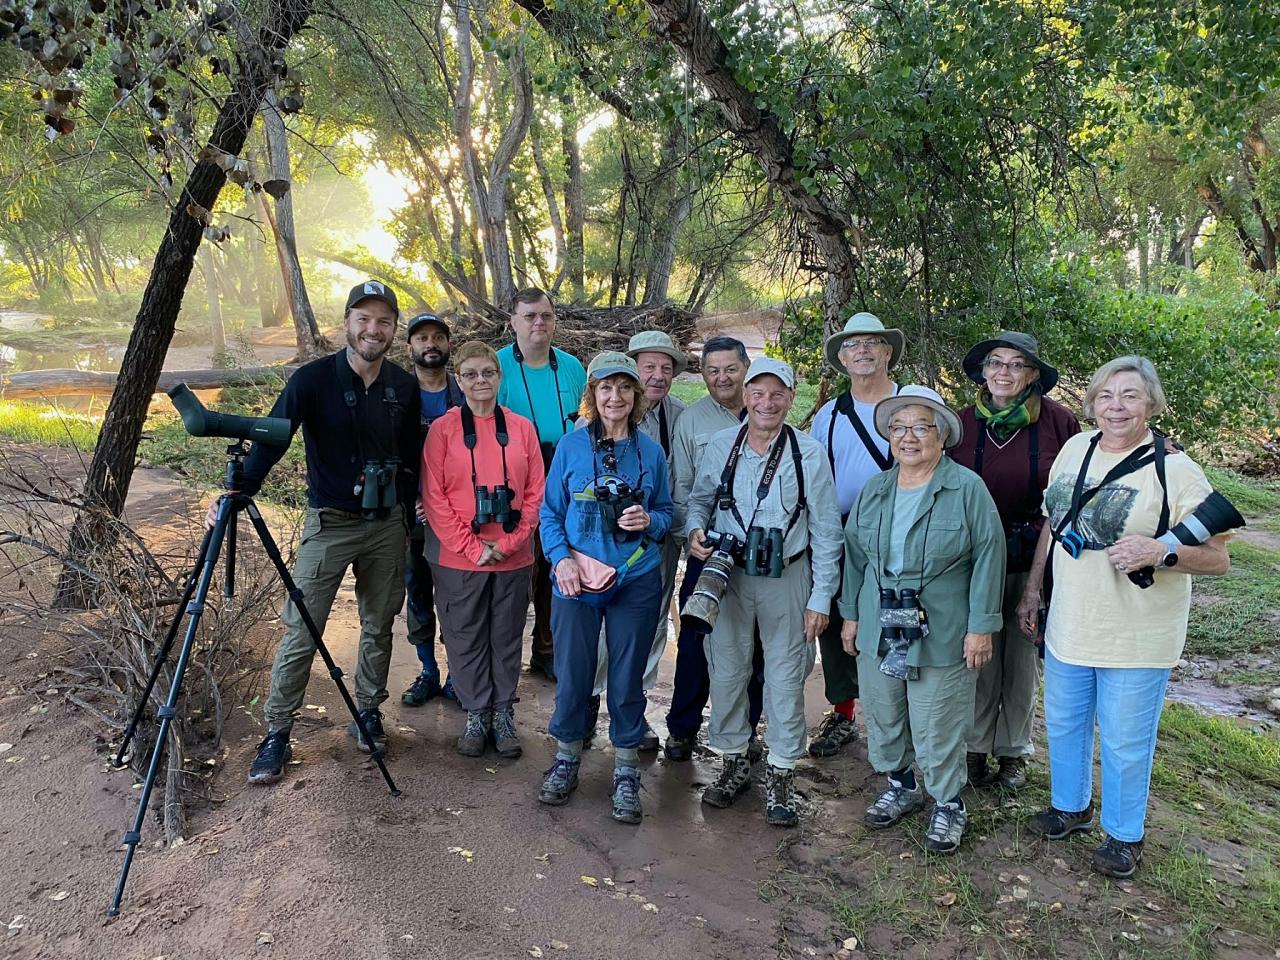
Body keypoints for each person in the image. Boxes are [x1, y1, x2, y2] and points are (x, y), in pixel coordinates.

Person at [1019, 356, 1229, 878]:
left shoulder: (1175, 469)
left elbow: (1220, 556)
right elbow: (1053, 521)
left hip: (1138, 635)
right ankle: (1069, 806)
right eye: (1107, 395)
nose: (1117, 406)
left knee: (1125, 739)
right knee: (1064, 725)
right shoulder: (1074, 449)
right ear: (1092, 402)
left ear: (1151, 404)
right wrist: (1032, 590)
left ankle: (1124, 834)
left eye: (1130, 395)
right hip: (1071, 622)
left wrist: (1162, 552)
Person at [219, 280, 422, 785]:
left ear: (393, 329)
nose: (373, 329)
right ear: (347, 323)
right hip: (328, 523)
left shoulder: (404, 385)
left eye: (383, 321)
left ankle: (369, 711)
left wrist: (414, 506)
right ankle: (278, 732)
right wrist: (238, 490)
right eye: (363, 319)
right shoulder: (311, 381)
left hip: (386, 525)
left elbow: (416, 456)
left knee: (378, 625)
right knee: (302, 628)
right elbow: (272, 439)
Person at [839, 385, 1004, 854]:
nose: (908, 437)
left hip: (944, 626)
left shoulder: (967, 488)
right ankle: (903, 785)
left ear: (942, 434)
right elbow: (855, 558)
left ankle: (949, 803)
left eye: (920, 426)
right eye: (898, 427)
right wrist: (850, 616)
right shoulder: (876, 489)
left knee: (937, 718)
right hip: (879, 620)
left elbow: (990, 556)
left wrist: (981, 627)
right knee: (885, 711)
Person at [686, 357, 842, 827]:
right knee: (728, 668)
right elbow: (699, 500)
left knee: (785, 675)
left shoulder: (808, 452)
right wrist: (695, 530)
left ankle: (781, 772)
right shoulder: (721, 444)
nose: (766, 402)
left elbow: (827, 529)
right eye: (758, 393)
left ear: (792, 399)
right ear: (746, 396)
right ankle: (734, 760)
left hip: (789, 575)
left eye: (777, 394)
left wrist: (821, 597)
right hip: (730, 574)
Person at [537, 352, 674, 824]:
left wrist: (648, 520)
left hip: (634, 577)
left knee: (626, 674)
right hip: (576, 576)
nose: (614, 397)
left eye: (624, 388)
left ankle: (625, 767)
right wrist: (560, 562)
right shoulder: (572, 448)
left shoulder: (650, 451)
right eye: (605, 388)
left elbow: (667, 512)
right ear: (592, 395)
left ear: (636, 396)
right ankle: (567, 756)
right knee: (573, 671)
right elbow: (550, 513)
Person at [950, 332, 1080, 791]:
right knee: (977, 653)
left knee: (1022, 657)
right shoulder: (962, 423)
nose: (1003, 372)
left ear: (1032, 376)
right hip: (971, 558)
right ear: (983, 372)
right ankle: (972, 747)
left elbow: (1068, 500)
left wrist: (1037, 585)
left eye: (1016, 364)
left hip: (1034, 556)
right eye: (995, 363)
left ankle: (1013, 752)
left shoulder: (1060, 425)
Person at [423, 342, 544, 759]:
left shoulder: (522, 429)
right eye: (470, 374)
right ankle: (476, 713)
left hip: (513, 556)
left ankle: (502, 714)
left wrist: (508, 542)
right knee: (464, 636)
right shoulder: (443, 430)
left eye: (487, 373)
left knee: (506, 636)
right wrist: (472, 547)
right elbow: (434, 496)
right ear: (459, 380)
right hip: (458, 558)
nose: (480, 381)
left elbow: (535, 495)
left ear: (499, 376)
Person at [663, 336, 766, 762]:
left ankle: (745, 732)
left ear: (746, 368)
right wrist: (691, 534)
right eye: (712, 370)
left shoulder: (768, 412)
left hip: (759, 558)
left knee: (754, 649)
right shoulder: (692, 422)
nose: (721, 378)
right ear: (701, 374)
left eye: (730, 369)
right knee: (694, 642)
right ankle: (682, 730)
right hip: (709, 555)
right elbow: (682, 489)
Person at [807, 311, 904, 759]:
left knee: (900, 620)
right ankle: (844, 711)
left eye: (871, 342)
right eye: (851, 344)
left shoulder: (910, 406)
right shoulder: (829, 415)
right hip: (841, 532)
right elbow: (813, 477)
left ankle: (901, 719)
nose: (862, 350)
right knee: (837, 622)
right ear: (842, 358)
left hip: (902, 530)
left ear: (887, 351)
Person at [584, 331, 688, 751]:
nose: (658, 375)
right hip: (603, 543)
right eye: (649, 366)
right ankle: (589, 701)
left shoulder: (681, 416)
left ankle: (634, 710)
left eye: (666, 368)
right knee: (598, 625)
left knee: (649, 627)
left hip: (656, 539)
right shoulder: (599, 418)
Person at [497, 288, 588, 682]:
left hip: (563, 488)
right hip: (513, 488)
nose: (539, 323)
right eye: (530, 315)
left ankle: (546, 650)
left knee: (558, 567)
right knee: (516, 576)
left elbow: (587, 422)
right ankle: (502, 657)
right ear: (513, 320)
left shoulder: (570, 368)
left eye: (547, 316)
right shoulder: (497, 366)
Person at [401, 312, 464, 708]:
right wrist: (414, 498)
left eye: (438, 337)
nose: (431, 344)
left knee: (459, 596)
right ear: (410, 347)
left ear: (448, 345)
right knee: (418, 590)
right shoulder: (398, 394)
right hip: (413, 516)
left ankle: (461, 674)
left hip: (460, 516)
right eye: (422, 338)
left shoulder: (465, 392)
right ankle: (428, 670)